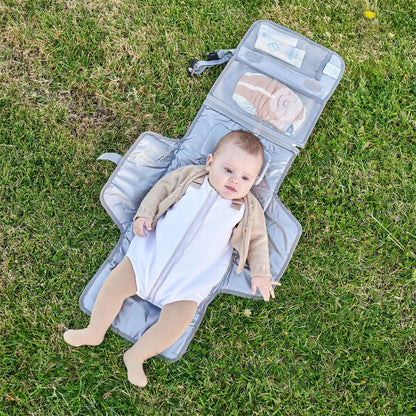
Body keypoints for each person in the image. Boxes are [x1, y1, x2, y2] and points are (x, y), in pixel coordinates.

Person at [64, 130, 277, 387]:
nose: (234, 181)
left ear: (253, 182)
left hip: (186, 284)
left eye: (245, 177)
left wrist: (261, 272)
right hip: (149, 257)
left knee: (179, 320)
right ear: (210, 163)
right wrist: (144, 214)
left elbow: (257, 239)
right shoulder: (190, 177)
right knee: (116, 283)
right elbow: (160, 190)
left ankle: (137, 356)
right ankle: (95, 330)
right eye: (228, 170)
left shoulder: (246, 208)